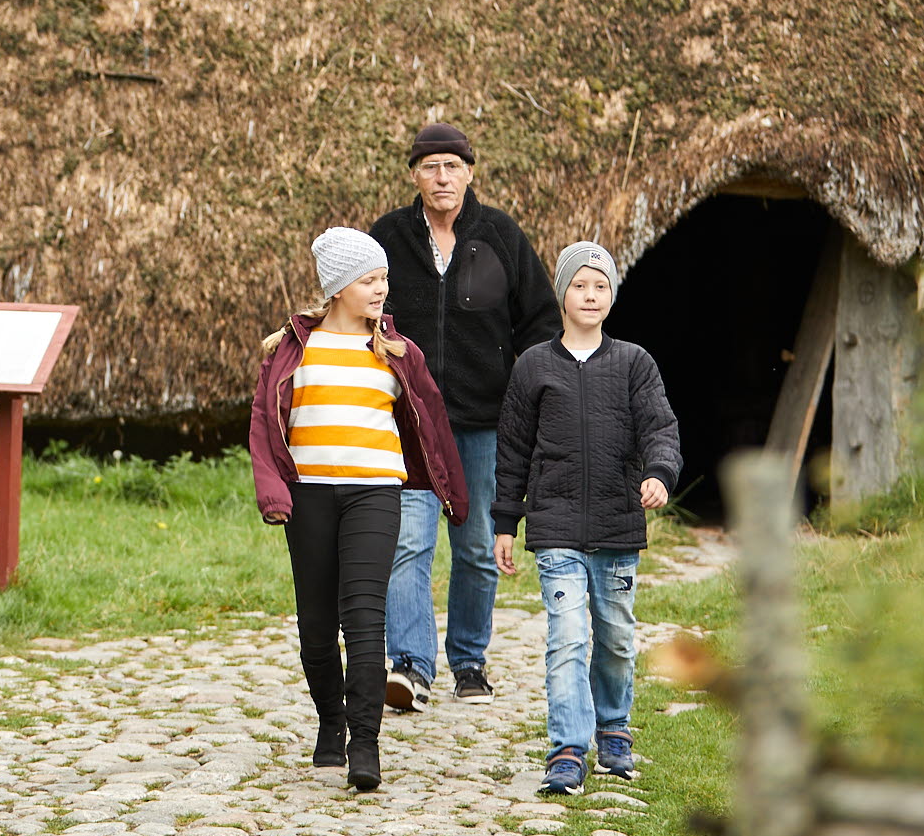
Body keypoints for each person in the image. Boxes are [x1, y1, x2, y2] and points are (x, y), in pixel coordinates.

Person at [249, 228, 468, 793]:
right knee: (316, 630)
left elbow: (433, 421)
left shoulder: (398, 352)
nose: (381, 290)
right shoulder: (291, 351)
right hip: (310, 496)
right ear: (340, 286)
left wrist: (454, 494)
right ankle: (331, 718)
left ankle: (365, 743)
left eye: (384, 279)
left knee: (365, 617)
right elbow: (262, 429)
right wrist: (274, 493)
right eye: (370, 280)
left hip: (376, 492)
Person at [370, 121, 561, 711]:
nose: (442, 176)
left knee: (477, 546)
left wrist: (525, 394)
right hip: (409, 421)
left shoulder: (501, 235)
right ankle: (409, 666)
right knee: (408, 543)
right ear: (414, 175)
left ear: (470, 172)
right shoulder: (388, 237)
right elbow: (358, 309)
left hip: (486, 423)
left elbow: (540, 323)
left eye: (452, 165)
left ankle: (470, 661)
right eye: (430, 166)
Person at [493, 241, 681, 797]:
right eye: (580, 285)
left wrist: (659, 474)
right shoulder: (533, 366)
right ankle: (568, 750)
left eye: (601, 285)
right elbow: (512, 450)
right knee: (569, 637)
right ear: (563, 293)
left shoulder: (634, 363)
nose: (591, 294)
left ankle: (614, 730)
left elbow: (660, 428)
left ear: (612, 295)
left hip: (618, 525)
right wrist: (506, 521)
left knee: (617, 637)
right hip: (554, 525)